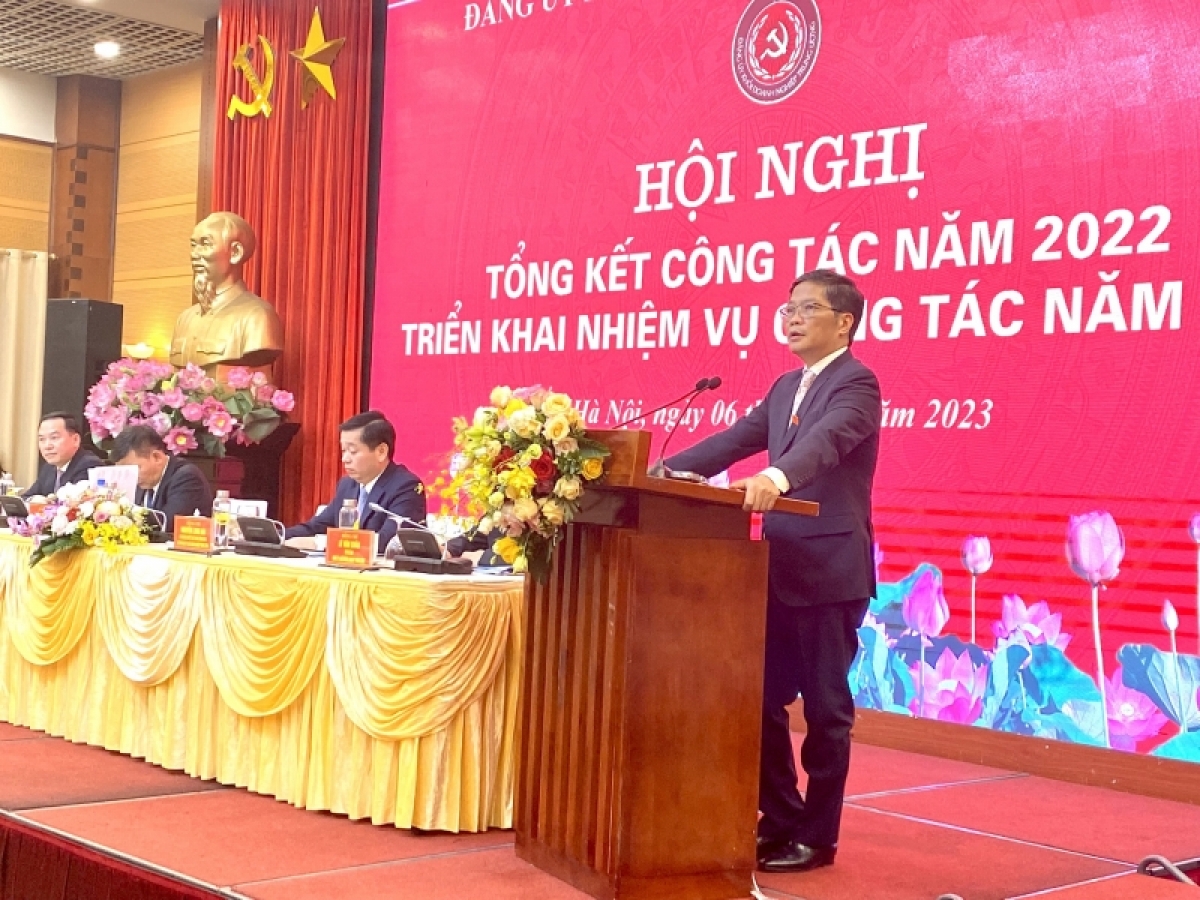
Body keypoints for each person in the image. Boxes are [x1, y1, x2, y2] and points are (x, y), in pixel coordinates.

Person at [664, 270, 881, 874]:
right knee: (756, 699)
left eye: (807, 308)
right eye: (788, 308)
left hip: (829, 572)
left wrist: (776, 476)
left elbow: (827, 442)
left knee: (826, 712)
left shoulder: (856, 383)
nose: (792, 318)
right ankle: (780, 819)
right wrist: (658, 471)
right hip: (778, 568)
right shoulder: (787, 385)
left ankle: (819, 836)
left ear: (844, 322)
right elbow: (735, 440)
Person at [285, 412, 426, 548]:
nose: (344, 459)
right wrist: (279, 536)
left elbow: (388, 542)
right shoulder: (347, 485)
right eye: (343, 451)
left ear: (381, 451)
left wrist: (320, 543)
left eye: (353, 451)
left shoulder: (406, 487)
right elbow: (316, 527)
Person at [169, 211, 284, 373]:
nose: (194, 254)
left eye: (206, 244)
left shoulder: (258, 317)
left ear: (235, 252)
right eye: (193, 245)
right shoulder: (184, 319)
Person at [109, 426, 214, 531]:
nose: (131, 476)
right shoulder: (145, 480)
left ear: (157, 457)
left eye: (135, 468)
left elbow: (168, 526)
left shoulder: (187, 478)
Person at [22, 412, 104, 499]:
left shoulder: (89, 465)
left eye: (54, 437)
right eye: (42, 439)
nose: (47, 446)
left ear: (75, 440)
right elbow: (26, 497)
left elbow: (75, 501)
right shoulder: (49, 468)